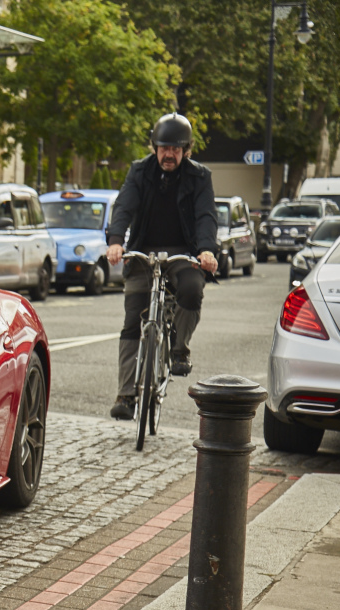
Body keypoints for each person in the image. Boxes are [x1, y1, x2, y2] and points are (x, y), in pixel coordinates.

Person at [105, 113, 219, 421]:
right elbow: (124, 205)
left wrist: (207, 250)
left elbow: (205, 216)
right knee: (132, 320)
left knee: (193, 289)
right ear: (155, 147)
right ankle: (126, 395)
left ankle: (179, 348)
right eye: (163, 147)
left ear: (186, 150)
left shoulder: (200, 176)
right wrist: (117, 241)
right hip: (143, 251)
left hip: (184, 253)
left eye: (176, 148)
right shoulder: (139, 172)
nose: (169, 154)